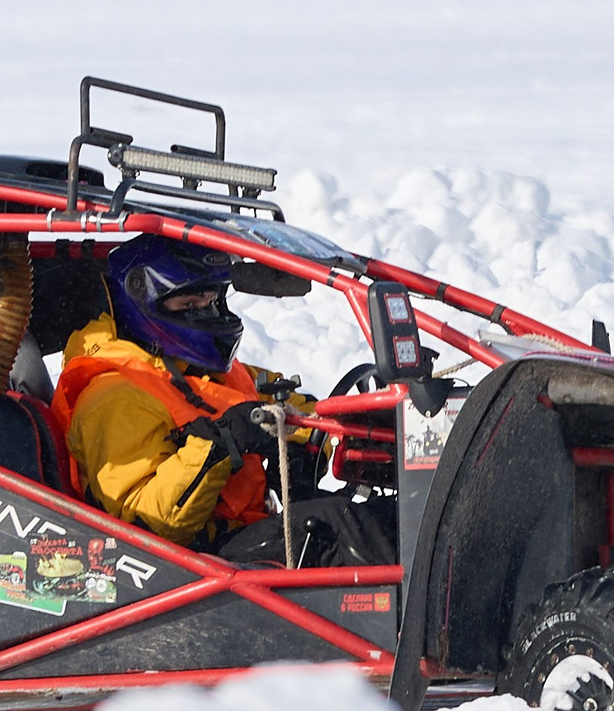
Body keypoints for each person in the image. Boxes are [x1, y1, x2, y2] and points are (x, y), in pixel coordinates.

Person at [52, 238, 395, 565]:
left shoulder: (206, 373)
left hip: (246, 537)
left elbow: (293, 409)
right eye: (189, 305)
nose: (206, 312)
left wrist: (331, 435)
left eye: (211, 302)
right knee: (349, 528)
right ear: (141, 306)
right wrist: (219, 445)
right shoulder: (113, 397)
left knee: (385, 517)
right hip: (190, 565)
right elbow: (145, 525)